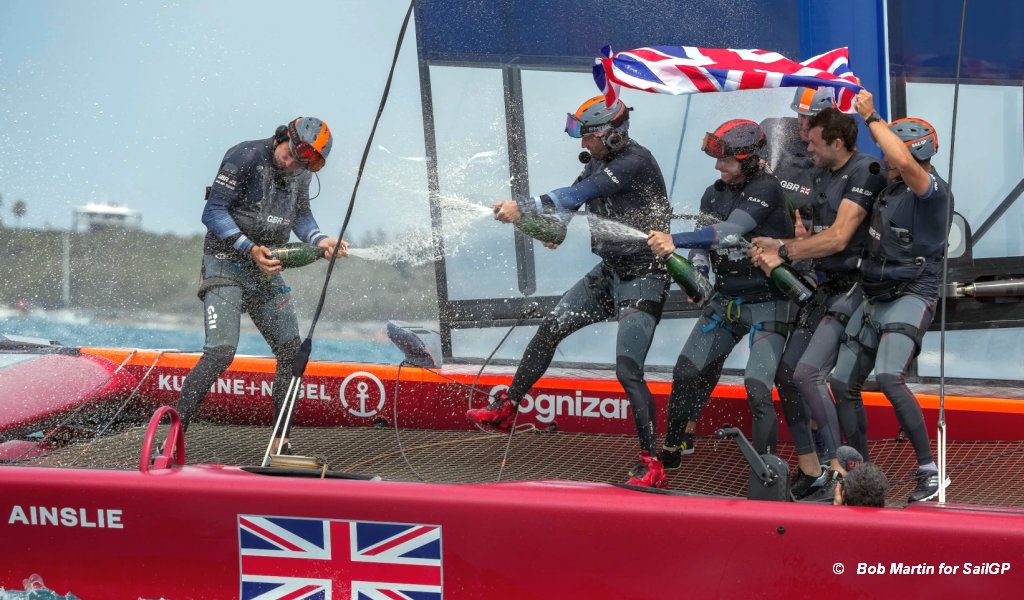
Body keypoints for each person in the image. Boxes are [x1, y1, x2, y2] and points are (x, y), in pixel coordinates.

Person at [465, 95, 673, 488]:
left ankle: (652, 462)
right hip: (610, 273)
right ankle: (508, 408)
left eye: (588, 136)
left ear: (612, 135)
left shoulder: (634, 162)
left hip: (645, 276)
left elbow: (577, 194)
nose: (582, 143)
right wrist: (523, 221)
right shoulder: (597, 162)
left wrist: (524, 204)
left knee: (628, 370)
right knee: (550, 329)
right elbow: (558, 228)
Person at [757, 89, 953, 503]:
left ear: (913, 153)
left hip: (911, 292)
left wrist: (871, 117)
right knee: (841, 381)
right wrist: (797, 240)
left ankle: (930, 470)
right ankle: (860, 473)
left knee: (889, 377)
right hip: (873, 292)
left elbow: (901, 163)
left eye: (893, 151)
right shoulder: (890, 189)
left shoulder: (930, 190)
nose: (885, 160)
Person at [175, 117, 348, 454]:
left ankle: (280, 445)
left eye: (302, 163)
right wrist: (249, 248)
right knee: (221, 353)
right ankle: (173, 438)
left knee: (292, 352)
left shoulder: (301, 173)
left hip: (264, 268)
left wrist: (319, 239)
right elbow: (213, 212)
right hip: (226, 261)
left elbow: (301, 217)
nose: (293, 164)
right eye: (291, 154)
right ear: (283, 137)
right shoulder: (245, 156)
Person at [750, 107, 887, 499]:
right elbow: (810, 235)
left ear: (837, 143)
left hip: (856, 288)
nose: (806, 145)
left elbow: (839, 238)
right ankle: (814, 470)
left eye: (813, 141)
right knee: (786, 373)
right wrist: (778, 242)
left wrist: (783, 251)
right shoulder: (821, 172)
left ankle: (848, 471)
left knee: (811, 374)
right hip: (825, 287)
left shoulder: (865, 171)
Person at [647, 119, 797, 473]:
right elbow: (704, 243)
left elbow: (729, 232)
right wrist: (698, 271)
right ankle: (673, 448)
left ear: (748, 160)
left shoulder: (767, 188)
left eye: (725, 160)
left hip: (769, 302)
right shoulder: (712, 193)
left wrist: (674, 240)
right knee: (685, 372)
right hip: (725, 300)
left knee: (757, 388)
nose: (717, 166)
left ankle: (767, 474)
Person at [760, 86, 837, 213]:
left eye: (813, 118)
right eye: (802, 115)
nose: (805, 126)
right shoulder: (774, 129)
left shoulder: (838, 150)